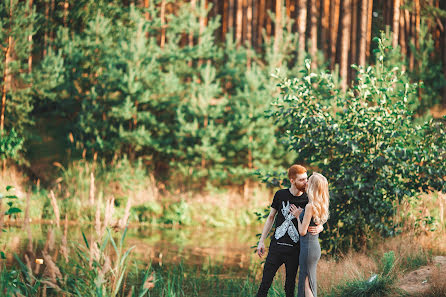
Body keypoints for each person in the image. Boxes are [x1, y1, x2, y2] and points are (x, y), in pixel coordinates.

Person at [255, 165, 323, 297]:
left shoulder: (308, 199)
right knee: (264, 285)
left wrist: (321, 227)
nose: (306, 182)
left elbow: (320, 217)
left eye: (306, 179)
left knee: (289, 287)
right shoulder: (280, 195)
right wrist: (261, 241)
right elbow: (270, 218)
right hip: (276, 248)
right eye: (302, 180)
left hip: (295, 250)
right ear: (292, 180)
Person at [290, 172, 329, 297]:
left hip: (307, 248)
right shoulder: (320, 203)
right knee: (309, 282)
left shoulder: (309, 206)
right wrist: (320, 227)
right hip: (314, 247)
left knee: (306, 283)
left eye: (309, 181)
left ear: (312, 186)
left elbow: (302, 231)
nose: (306, 183)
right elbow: (318, 223)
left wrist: (297, 216)